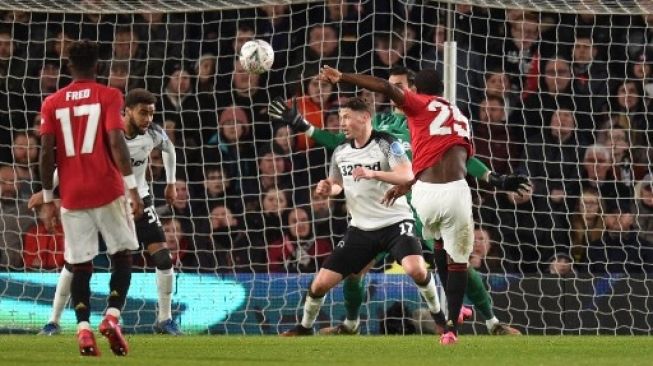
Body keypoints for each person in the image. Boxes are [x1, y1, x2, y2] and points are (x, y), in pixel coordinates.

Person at [270, 66, 526, 337]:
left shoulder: (425, 117)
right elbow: (339, 142)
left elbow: (460, 154)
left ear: (413, 89)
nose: (394, 92)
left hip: (422, 207)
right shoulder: (377, 124)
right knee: (355, 273)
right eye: (392, 85)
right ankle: (350, 325)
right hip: (384, 211)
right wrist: (303, 125)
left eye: (399, 86)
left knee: (455, 261)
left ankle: (493, 323)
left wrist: (491, 177)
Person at [280, 97, 447, 337]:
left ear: (365, 117)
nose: (342, 123)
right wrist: (329, 188)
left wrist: (372, 173)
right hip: (360, 230)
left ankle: (440, 318)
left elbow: (406, 175)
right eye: (340, 118)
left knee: (416, 270)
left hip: (395, 222)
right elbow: (338, 183)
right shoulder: (341, 151)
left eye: (346, 117)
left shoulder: (387, 143)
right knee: (319, 285)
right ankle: (304, 328)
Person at [32, 88, 182, 336]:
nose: (148, 119)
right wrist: (48, 190)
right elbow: (73, 160)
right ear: (127, 112)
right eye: (143, 113)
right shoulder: (106, 135)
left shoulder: (153, 133)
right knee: (75, 262)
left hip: (140, 200)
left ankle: (164, 320)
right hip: (105, 201)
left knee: (163, 258)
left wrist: (171, 183)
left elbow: (170, 149)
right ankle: (53, 322)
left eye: (151, 114)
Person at [38, 40, 144, 357]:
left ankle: (83, 331)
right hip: (107, 189)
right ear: (98, 66)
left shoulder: (52, 102)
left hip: (72, 195)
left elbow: (46, 153)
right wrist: (133, 187)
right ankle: (112, 317)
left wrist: (47, 198)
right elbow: (115, 140)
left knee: (79, 265)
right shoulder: (109, 95)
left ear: (69, 66)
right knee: (123, 254)